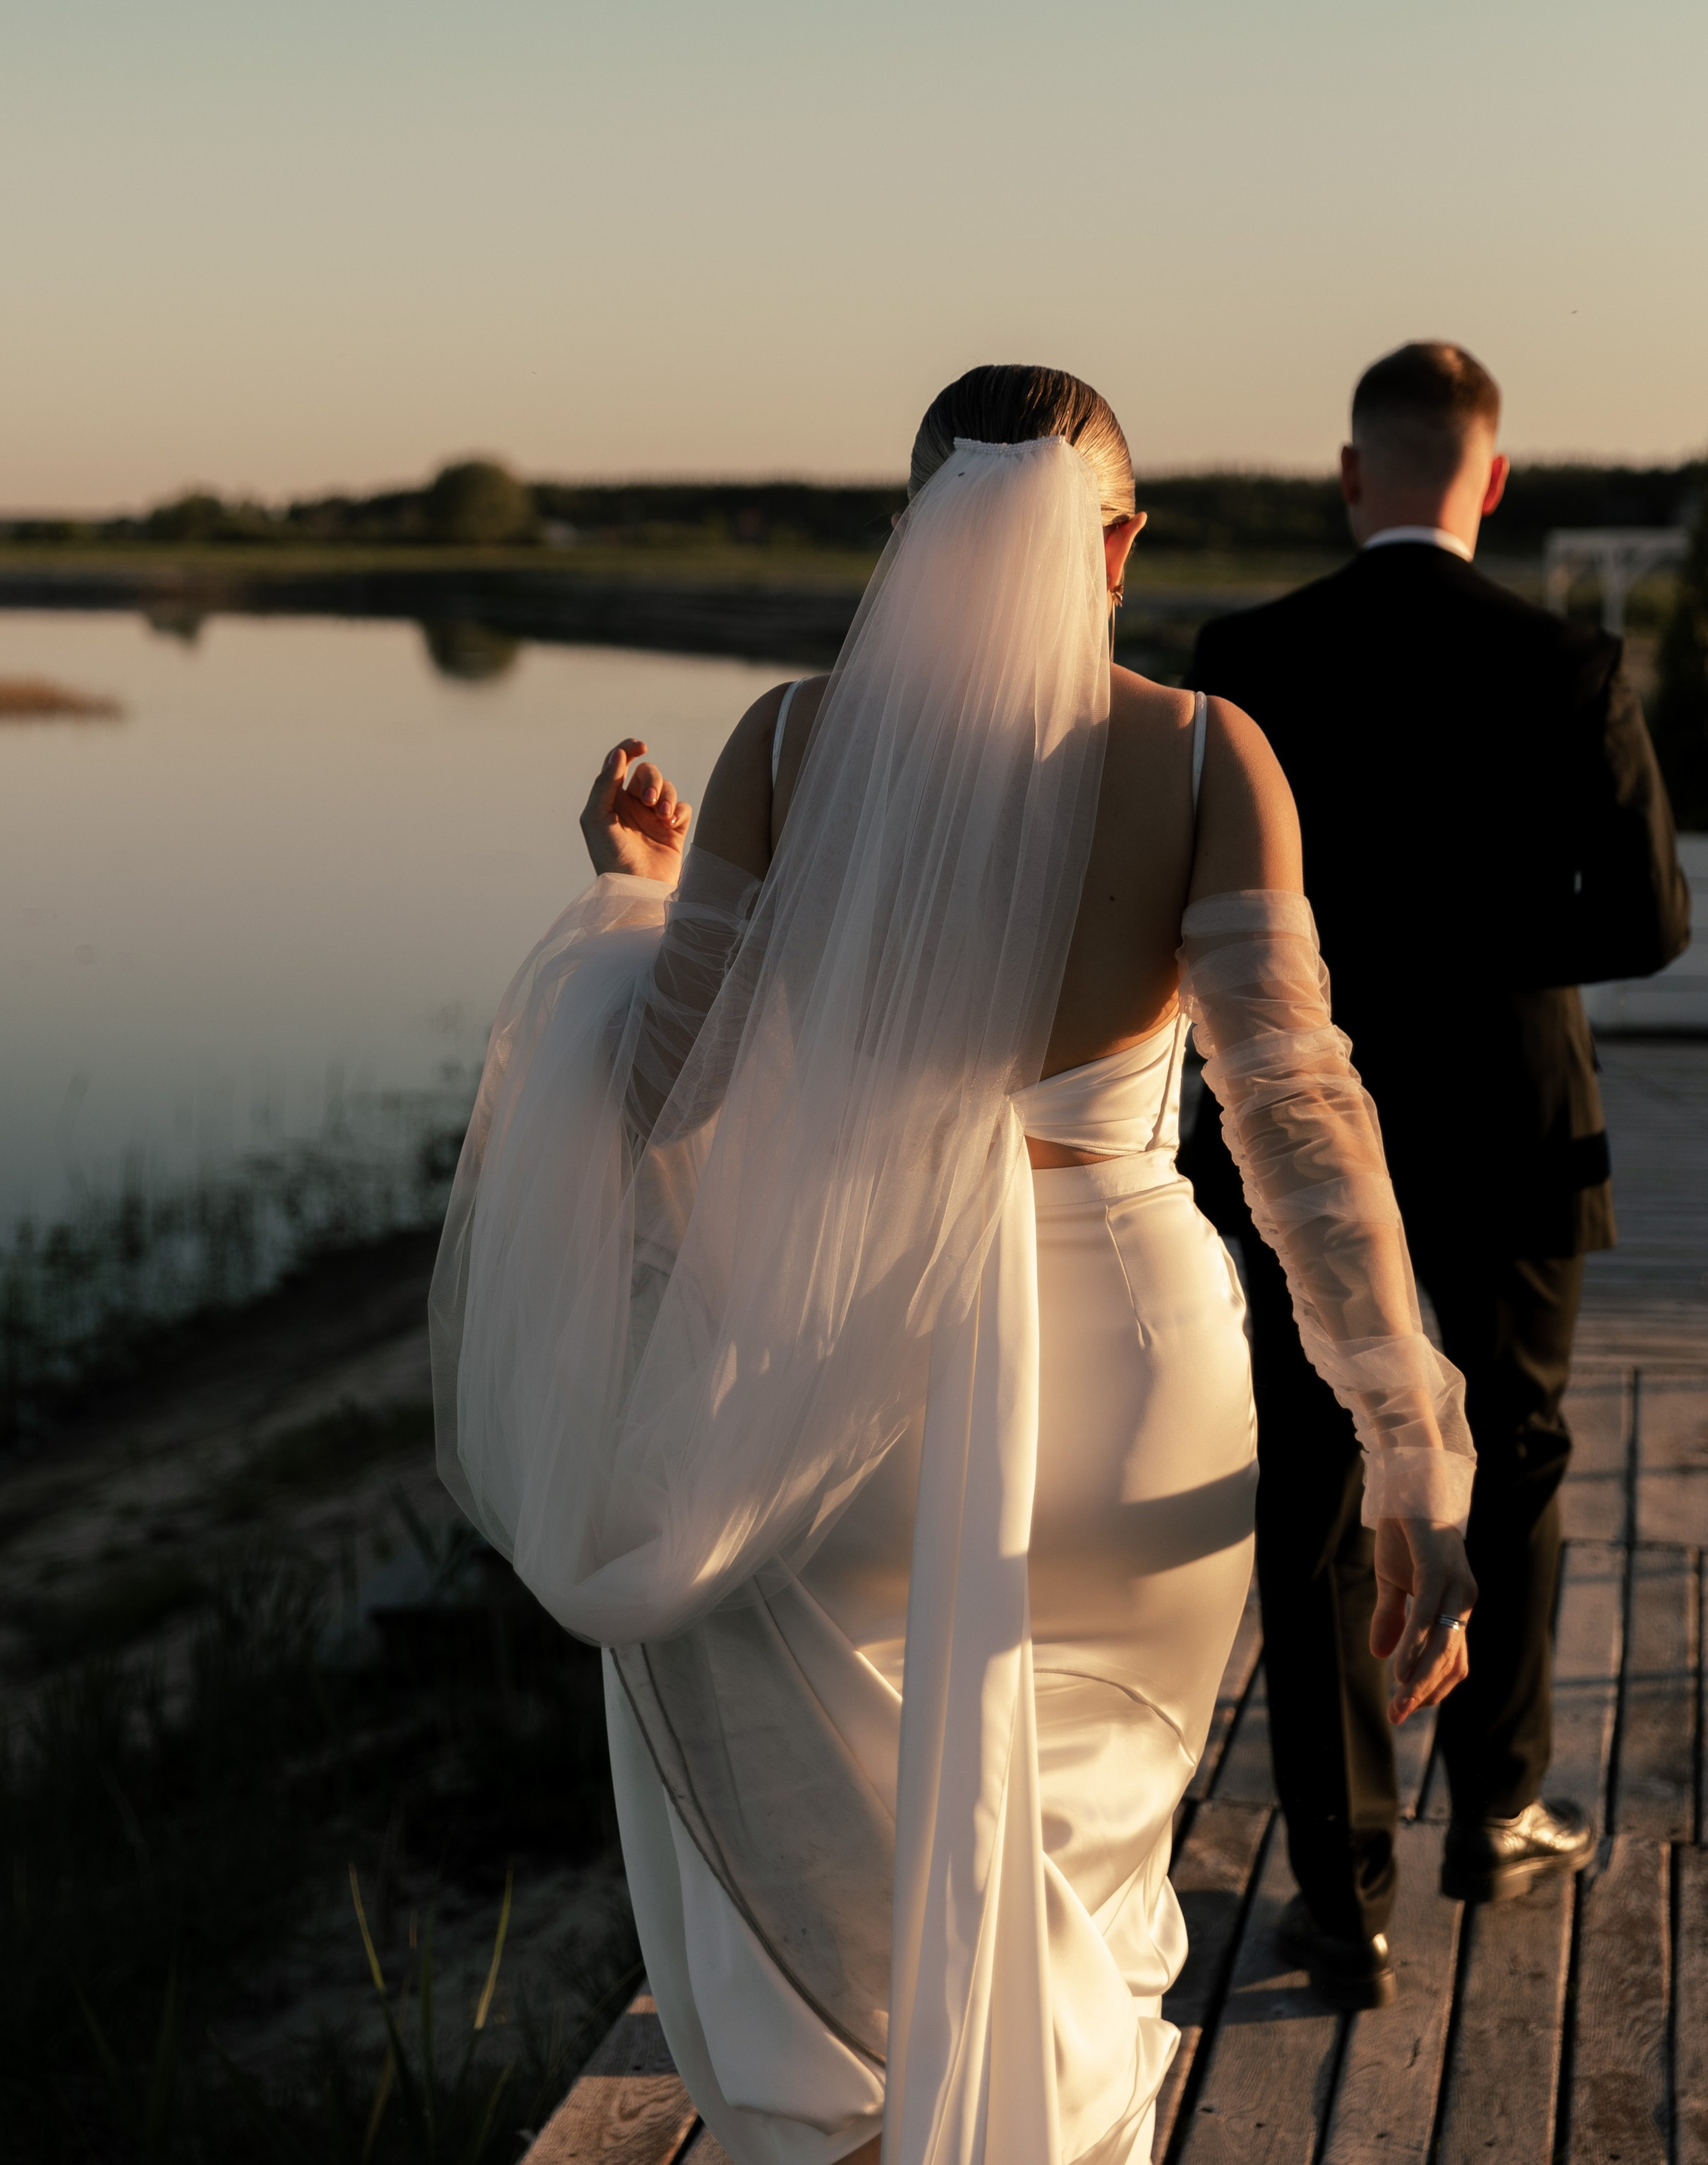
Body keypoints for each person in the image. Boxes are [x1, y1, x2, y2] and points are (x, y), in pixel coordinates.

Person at [432, 365, 1476, 2165]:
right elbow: (1301, 1131)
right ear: (1121, 545)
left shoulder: (781, 744)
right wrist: (1410, 1456)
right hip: (1140, 1382)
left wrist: (629, 896)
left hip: (862, 1385)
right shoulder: (1204, 754)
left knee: (873, 1905)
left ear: (905, 540)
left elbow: (662, 1100)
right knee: (1082, 1875)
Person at [1183, 341, 1690, 2010]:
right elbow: (1642, 925)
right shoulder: (1566, 660)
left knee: (1318, 1491)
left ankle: (1342, 1899)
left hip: (1300, 1156)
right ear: (1489, 478)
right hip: (1513, 1132)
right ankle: (1500, 1808)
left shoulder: (1245, 657)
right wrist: (1479, 938)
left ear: (1350, 477)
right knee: (1519, 1462)